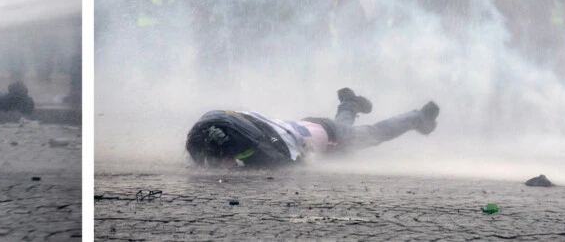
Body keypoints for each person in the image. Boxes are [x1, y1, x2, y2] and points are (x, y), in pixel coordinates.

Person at [185, 88, 439, 168]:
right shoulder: (254, 131)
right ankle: (349, 103)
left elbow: (285, 163)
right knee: (345, 125)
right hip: (313, 127)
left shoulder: (260, 147)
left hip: (330, 136)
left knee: (374, 133)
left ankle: (420, 116)